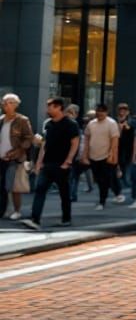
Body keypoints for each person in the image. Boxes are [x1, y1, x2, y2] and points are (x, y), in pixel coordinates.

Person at [22, 98, 79, 230]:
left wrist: (68, 161)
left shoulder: (70, 124)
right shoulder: (48, 124)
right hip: (47, 164)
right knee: (40, 190)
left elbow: (75, 143)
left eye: (50, 107)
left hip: (62, 164)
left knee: (64, 193)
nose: (47, 110)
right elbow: (45, 145)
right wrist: (39, 163)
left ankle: (66, 218)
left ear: (58, 107)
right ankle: (35, 219)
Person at [1, 93, 34, 220]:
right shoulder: (1, 120)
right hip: (1, 157)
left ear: (16, 105)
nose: (6, 105)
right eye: (4, 102)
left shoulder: (22, 120)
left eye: (9, 102)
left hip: (15, 158)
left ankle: (16, 210)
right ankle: (3, 210)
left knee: (15, 186)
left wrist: (18, 151)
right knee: (2, 186)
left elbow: (28, 138)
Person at [82, 103, 120, 210]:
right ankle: (112, 193)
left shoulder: (111, 123)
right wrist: (85, 155)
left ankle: (102, 201)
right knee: (98, 179)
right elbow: (87, 139)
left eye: (102, 111)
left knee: (104, 180)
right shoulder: (91, 124)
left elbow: (114, 140)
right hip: (93, 155)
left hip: (105, 156)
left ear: (106, 112)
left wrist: (112, 155)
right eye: (98, 111)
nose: (100, 113)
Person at [116, 103, 136, 206]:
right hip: (118, 152)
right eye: (120, 109)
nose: (122, 111)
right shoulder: (114, 122)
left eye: (124, 109)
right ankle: (119, 195)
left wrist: (127, 127)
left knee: (132, 176)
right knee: (118, 176)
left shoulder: (134, 122)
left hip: (131, 152)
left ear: (128, 111)